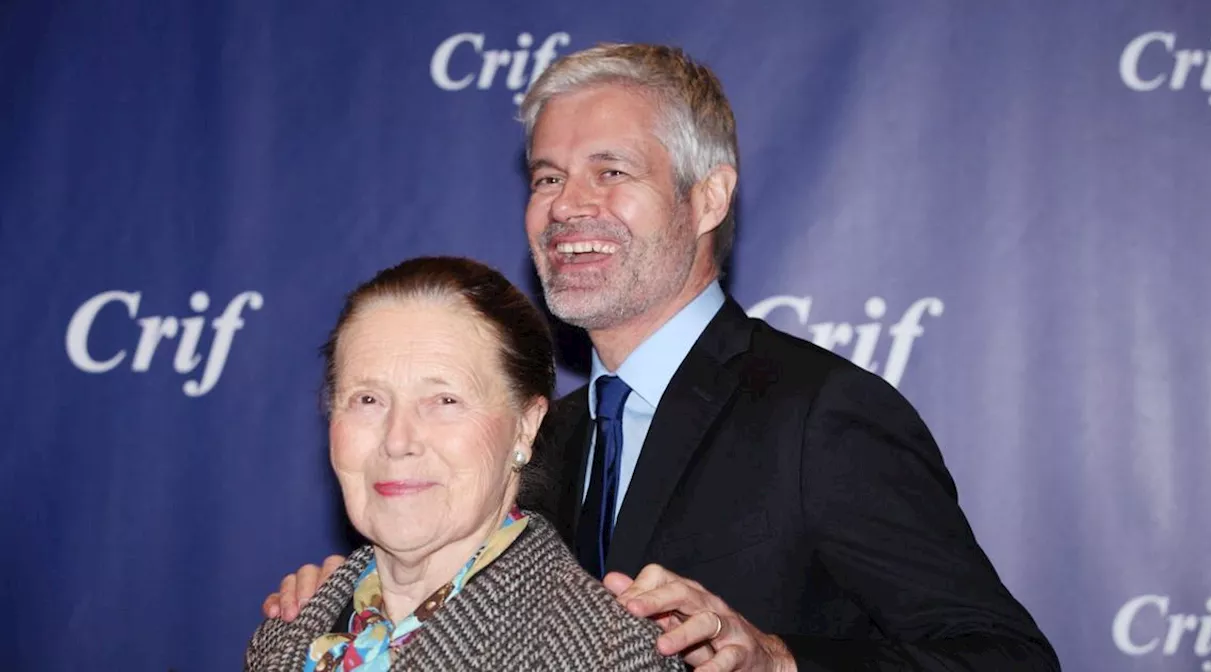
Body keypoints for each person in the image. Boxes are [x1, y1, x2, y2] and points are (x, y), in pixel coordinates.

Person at [265, 44, 1061, 671]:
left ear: (708, 197)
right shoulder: (543, 433)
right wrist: (348, 603)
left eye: (611, 171)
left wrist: (782, 662)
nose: (567, 205)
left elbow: (1005, 658)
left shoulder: (819, 415)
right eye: (548, 176)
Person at [245, 256, 684, 671]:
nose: (397, 441)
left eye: (445, 400)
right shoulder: (284, 639)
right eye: (368, 399)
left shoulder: (605, 655)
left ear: (525, 427)